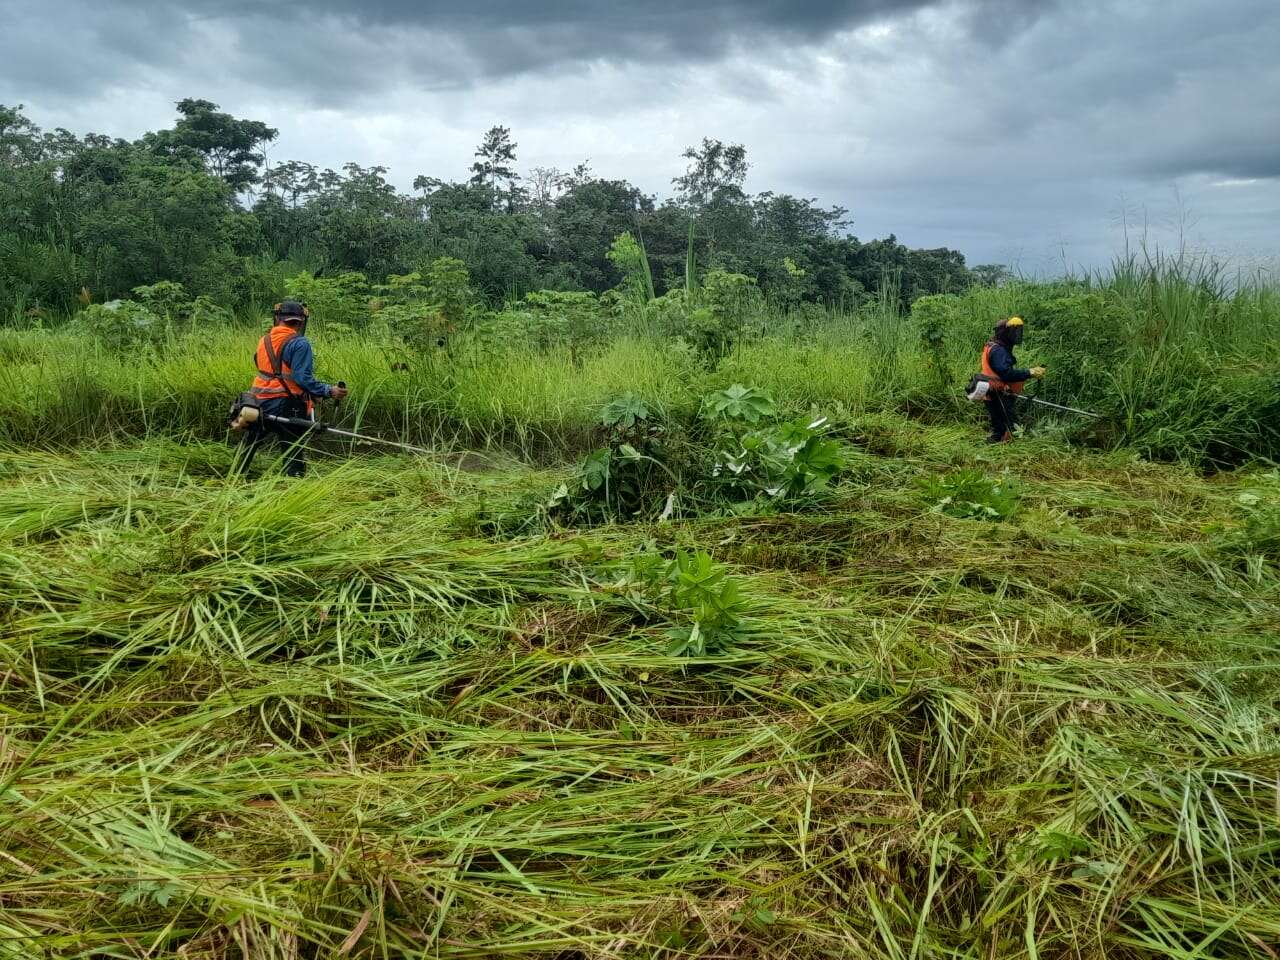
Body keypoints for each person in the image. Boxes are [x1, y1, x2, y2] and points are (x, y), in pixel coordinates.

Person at [235, 300, 348, 477]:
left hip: (257, 402)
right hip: (287, 404)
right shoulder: (300, 343)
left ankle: (236, 477)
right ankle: (294, 486)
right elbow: (301, 378)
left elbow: (269, 369)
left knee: (251, 444)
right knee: (293, 450)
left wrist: (312, 392)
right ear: (300, 321)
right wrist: (328, 391)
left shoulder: (263, 341)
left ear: (278, 318)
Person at [979, 316, 1045, 443]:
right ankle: (1008, 444)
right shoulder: (998, 351)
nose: (1016, 335)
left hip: (995, 392)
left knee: (1000, 426)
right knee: (1009, 426)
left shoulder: (996, 346)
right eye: (1014, 332)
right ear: (1005, 333)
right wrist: (1029, 372)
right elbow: (1006, 374)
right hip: (998, 393)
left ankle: (999, 441)